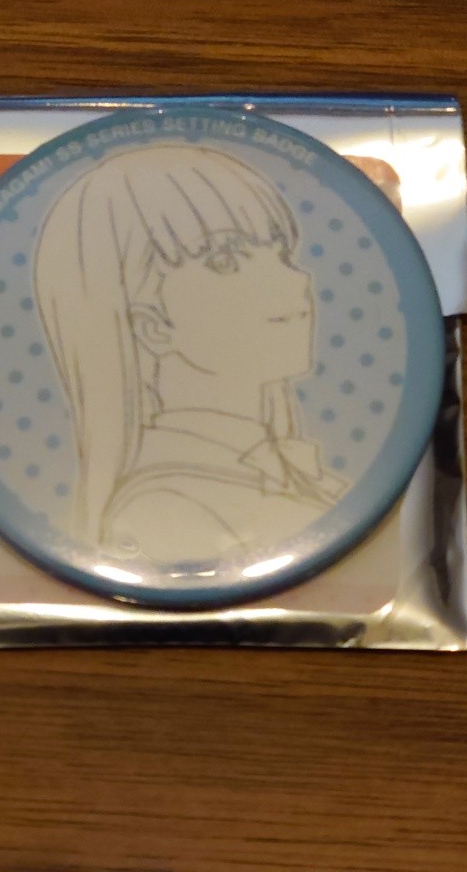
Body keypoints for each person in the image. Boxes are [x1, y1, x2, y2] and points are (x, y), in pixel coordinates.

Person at [34, 142, 346, 564]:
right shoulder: (163, 505)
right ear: (153, 327)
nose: (298, 280)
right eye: (226, 261)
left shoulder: (287, 473)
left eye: (281, 253)